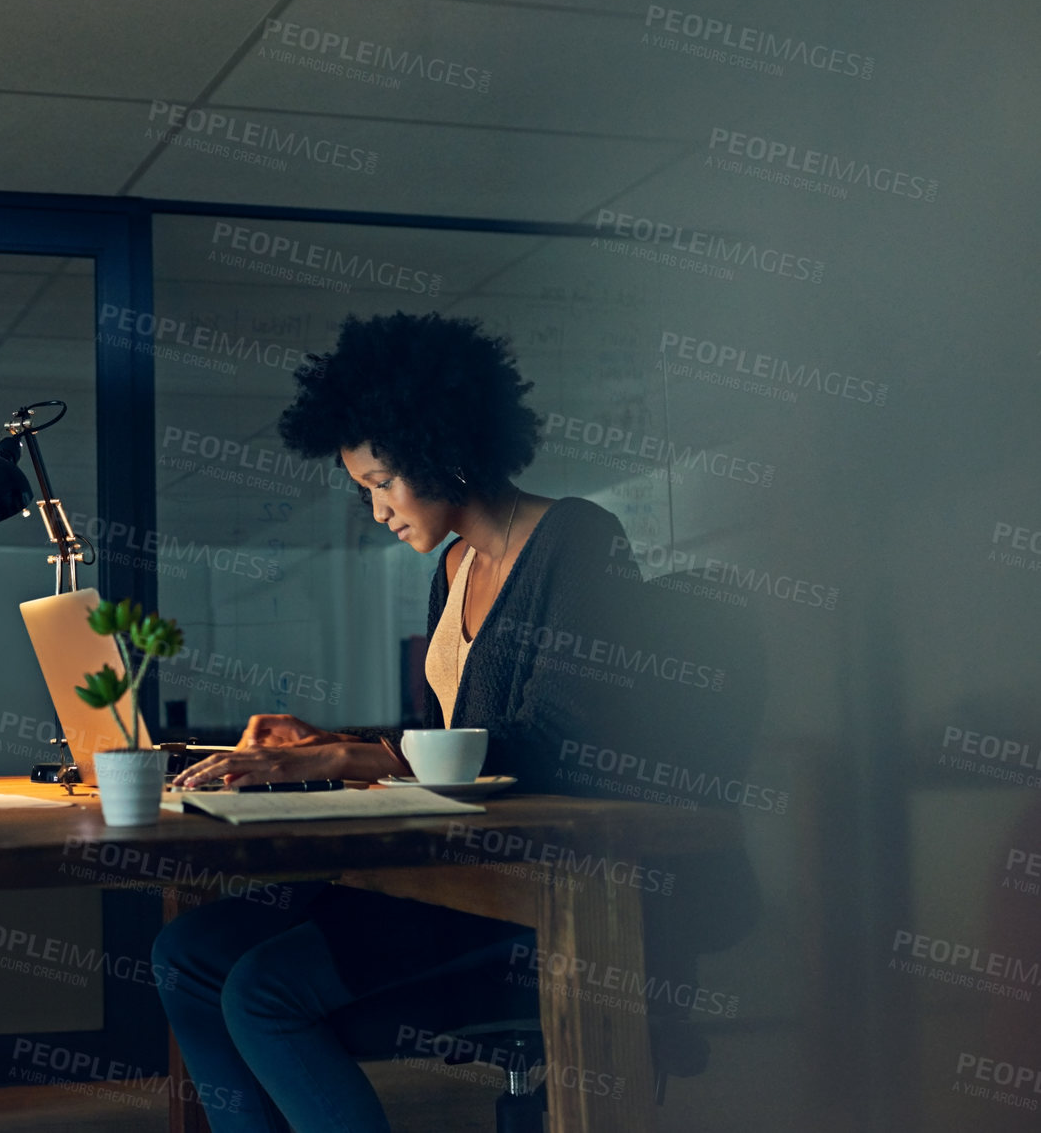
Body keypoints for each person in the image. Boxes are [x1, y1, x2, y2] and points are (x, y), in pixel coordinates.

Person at [154, 311, 760, 1132]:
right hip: (453, 873)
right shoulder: (452, 568)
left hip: (533, 892)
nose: (375, 511)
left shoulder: (577, 538)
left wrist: (343, 758)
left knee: (263, 989)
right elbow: (450, 746)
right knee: (185, 954)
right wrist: (325, 740)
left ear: (441, 447)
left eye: (379, 483)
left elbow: (551, 744)